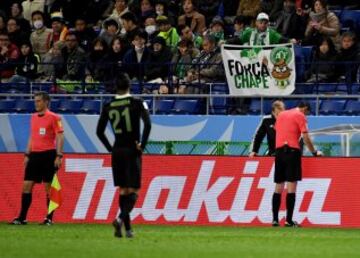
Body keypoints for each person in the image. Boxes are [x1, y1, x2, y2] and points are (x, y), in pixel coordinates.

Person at [96, 73, 152, 238]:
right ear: (129, 86)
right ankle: (120, 219)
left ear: (116, 87)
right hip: (132, 148)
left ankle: (127, 230)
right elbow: (147, 124)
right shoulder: (137, 102)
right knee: (134, 189)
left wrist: (110, 148)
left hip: (117, 149)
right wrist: (142, 145)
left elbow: (99, 132)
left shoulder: (109, 105)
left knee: (123, 190)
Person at [10, 92, 64, 225]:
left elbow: (60, 136)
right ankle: (22, 218)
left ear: (46, 102)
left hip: (48, 155)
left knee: (48, 188)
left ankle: (49, 218)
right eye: (35, 101)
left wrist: (59, 155)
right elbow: (32, 136)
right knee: (26, 186)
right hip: (34, 156)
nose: (36, 103)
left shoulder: (55, 117)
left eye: (39, 101)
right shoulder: (33, 117)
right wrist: (27, 154)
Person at [272, 102, 323, 227]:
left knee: (278, 187)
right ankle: (289, 220)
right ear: (305, 109)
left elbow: (277, 131)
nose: (307, 116)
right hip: (292, 152)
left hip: (279, 152)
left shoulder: (282, 114)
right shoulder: (300, 115)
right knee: (291, 187)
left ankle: (275, 220)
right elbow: (305, 137)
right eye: (307, 113)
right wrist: (314, 152)